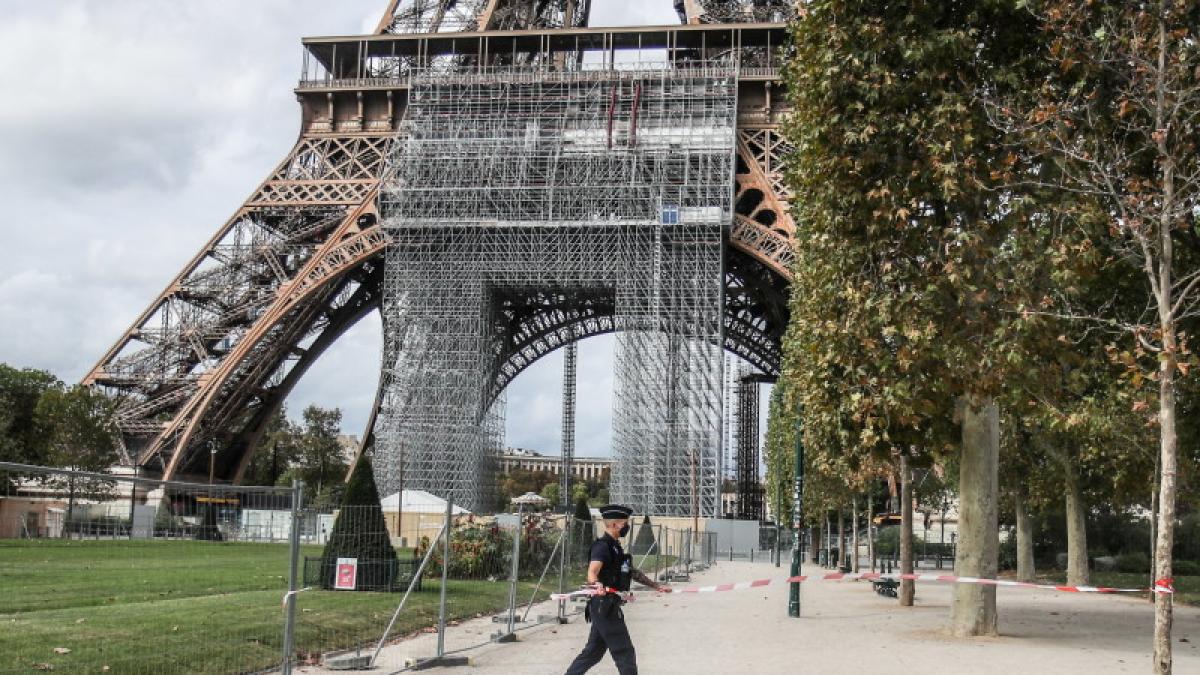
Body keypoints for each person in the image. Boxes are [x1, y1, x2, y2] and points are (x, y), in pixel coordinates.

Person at [564, 504, 671, 675]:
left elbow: (631, 571)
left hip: (606, 606)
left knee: (593, 652)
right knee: (624, 652)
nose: (627, 526)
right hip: (604, 606)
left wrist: (657, 586)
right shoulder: (602, 547)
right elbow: (592, 572)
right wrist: (597, 584)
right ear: (614, 525)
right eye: (624, 523)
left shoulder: (616, 547)